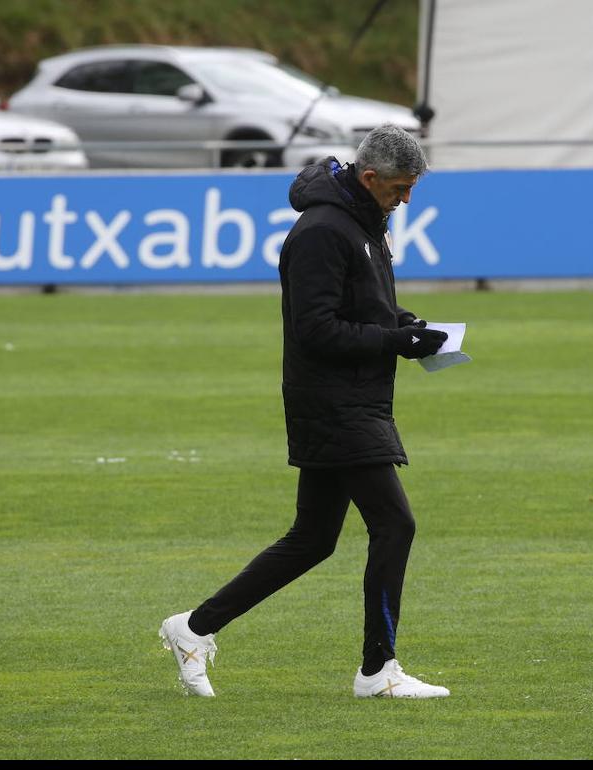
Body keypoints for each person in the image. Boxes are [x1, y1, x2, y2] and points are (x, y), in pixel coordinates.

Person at [159, 125, 451, 699]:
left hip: (353, 400)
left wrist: (405, 324)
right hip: (333, 404)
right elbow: (315, 329)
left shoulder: (365, 223)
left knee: (313, 538)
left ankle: (192, 628)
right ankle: (377, 671)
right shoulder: (321, 231)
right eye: (399, 188)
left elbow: (363, 305)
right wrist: (393, 342)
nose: (406, 199)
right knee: (395, 525)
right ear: (368, 179)